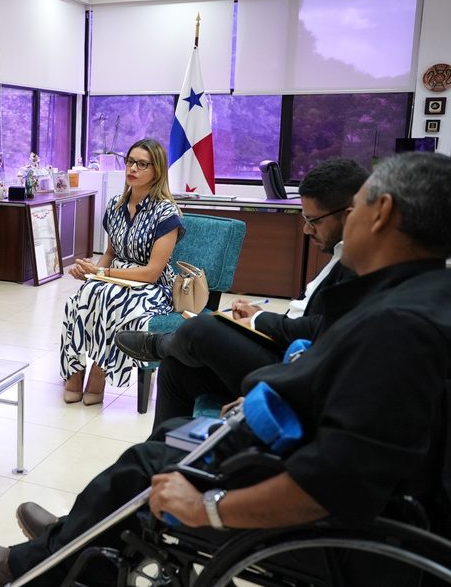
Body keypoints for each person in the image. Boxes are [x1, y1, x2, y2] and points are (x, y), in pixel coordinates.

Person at [0, 152, 451, 587]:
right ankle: (83, 535)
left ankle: (33, 568)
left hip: (334, 526)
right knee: (173, 422)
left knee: (145, 466)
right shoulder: (412, 298)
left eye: (359, 204)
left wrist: (206, 508)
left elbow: (336, 482)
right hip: (300, 443)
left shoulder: (399, 325)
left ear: (381, 212)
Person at [115, 158, 368, 424]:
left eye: (313, 220)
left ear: (349, 214)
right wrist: (259, 316)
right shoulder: (344, 252)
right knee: (175, 368)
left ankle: (158, 344)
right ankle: (163, 450)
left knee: (203, 328)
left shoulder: (362, 265)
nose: (306, 229)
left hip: (298, 368)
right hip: (286, 348)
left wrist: (260, 321)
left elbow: (321, 331)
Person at [60, 139, 182, 404]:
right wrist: (91, 272)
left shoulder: (166, 213)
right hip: (113, 278)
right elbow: (111, 255)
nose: (132, 169)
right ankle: (75, 368)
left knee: (110, 299)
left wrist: (103, 275)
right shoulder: (115, 205)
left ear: (157, 171)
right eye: (129, 161)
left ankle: (99, 372)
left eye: (142, 164)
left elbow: (152, 272)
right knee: (81, 297)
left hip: (152, 287)